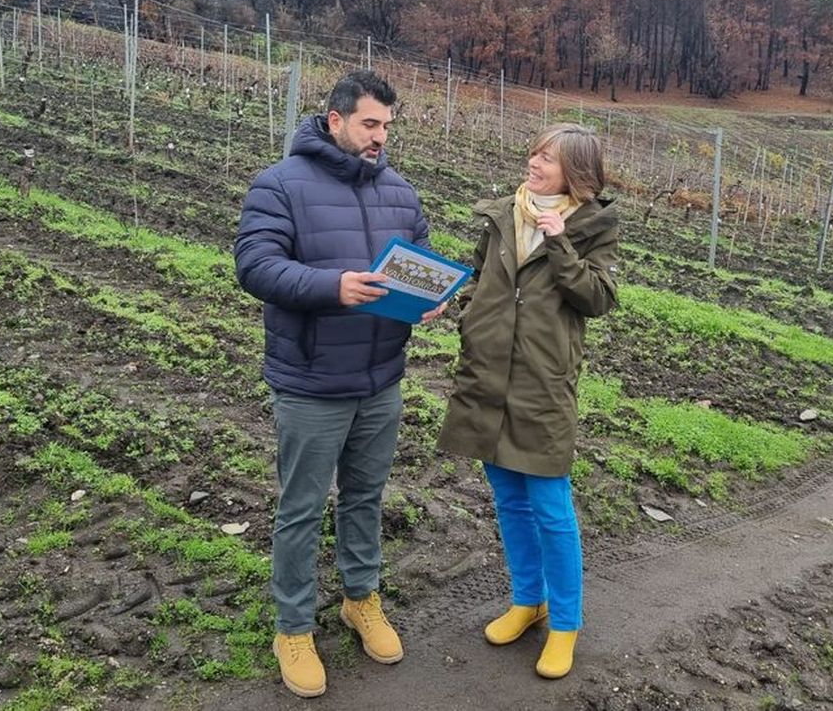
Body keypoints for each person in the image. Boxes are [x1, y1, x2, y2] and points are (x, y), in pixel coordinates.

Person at [235, 70, 443, 699]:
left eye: (387, 126)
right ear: (335, 120)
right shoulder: (280, 185)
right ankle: (293, 627)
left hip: (380, 379)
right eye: (370, 124)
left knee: (364, 498)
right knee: (300, 508)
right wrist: (334, 287)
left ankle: (361, 599)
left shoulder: (400, 193)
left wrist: (429, 298)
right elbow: (256, 265)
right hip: (311, 381)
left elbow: (422, 258)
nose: (381, 137)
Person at [437, 123, 619, 680]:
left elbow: (598, 298)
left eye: (548, 158)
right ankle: (527, 600)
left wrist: (561, 240)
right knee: (508, 499)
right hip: (488, 373)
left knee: (550, 505)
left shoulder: (594, 225)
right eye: (534, 152)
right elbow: (478, 276)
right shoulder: (502, 213)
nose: (534, 164)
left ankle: (565, 623)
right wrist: (466, 311)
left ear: (576, 173)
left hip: (542, 381)